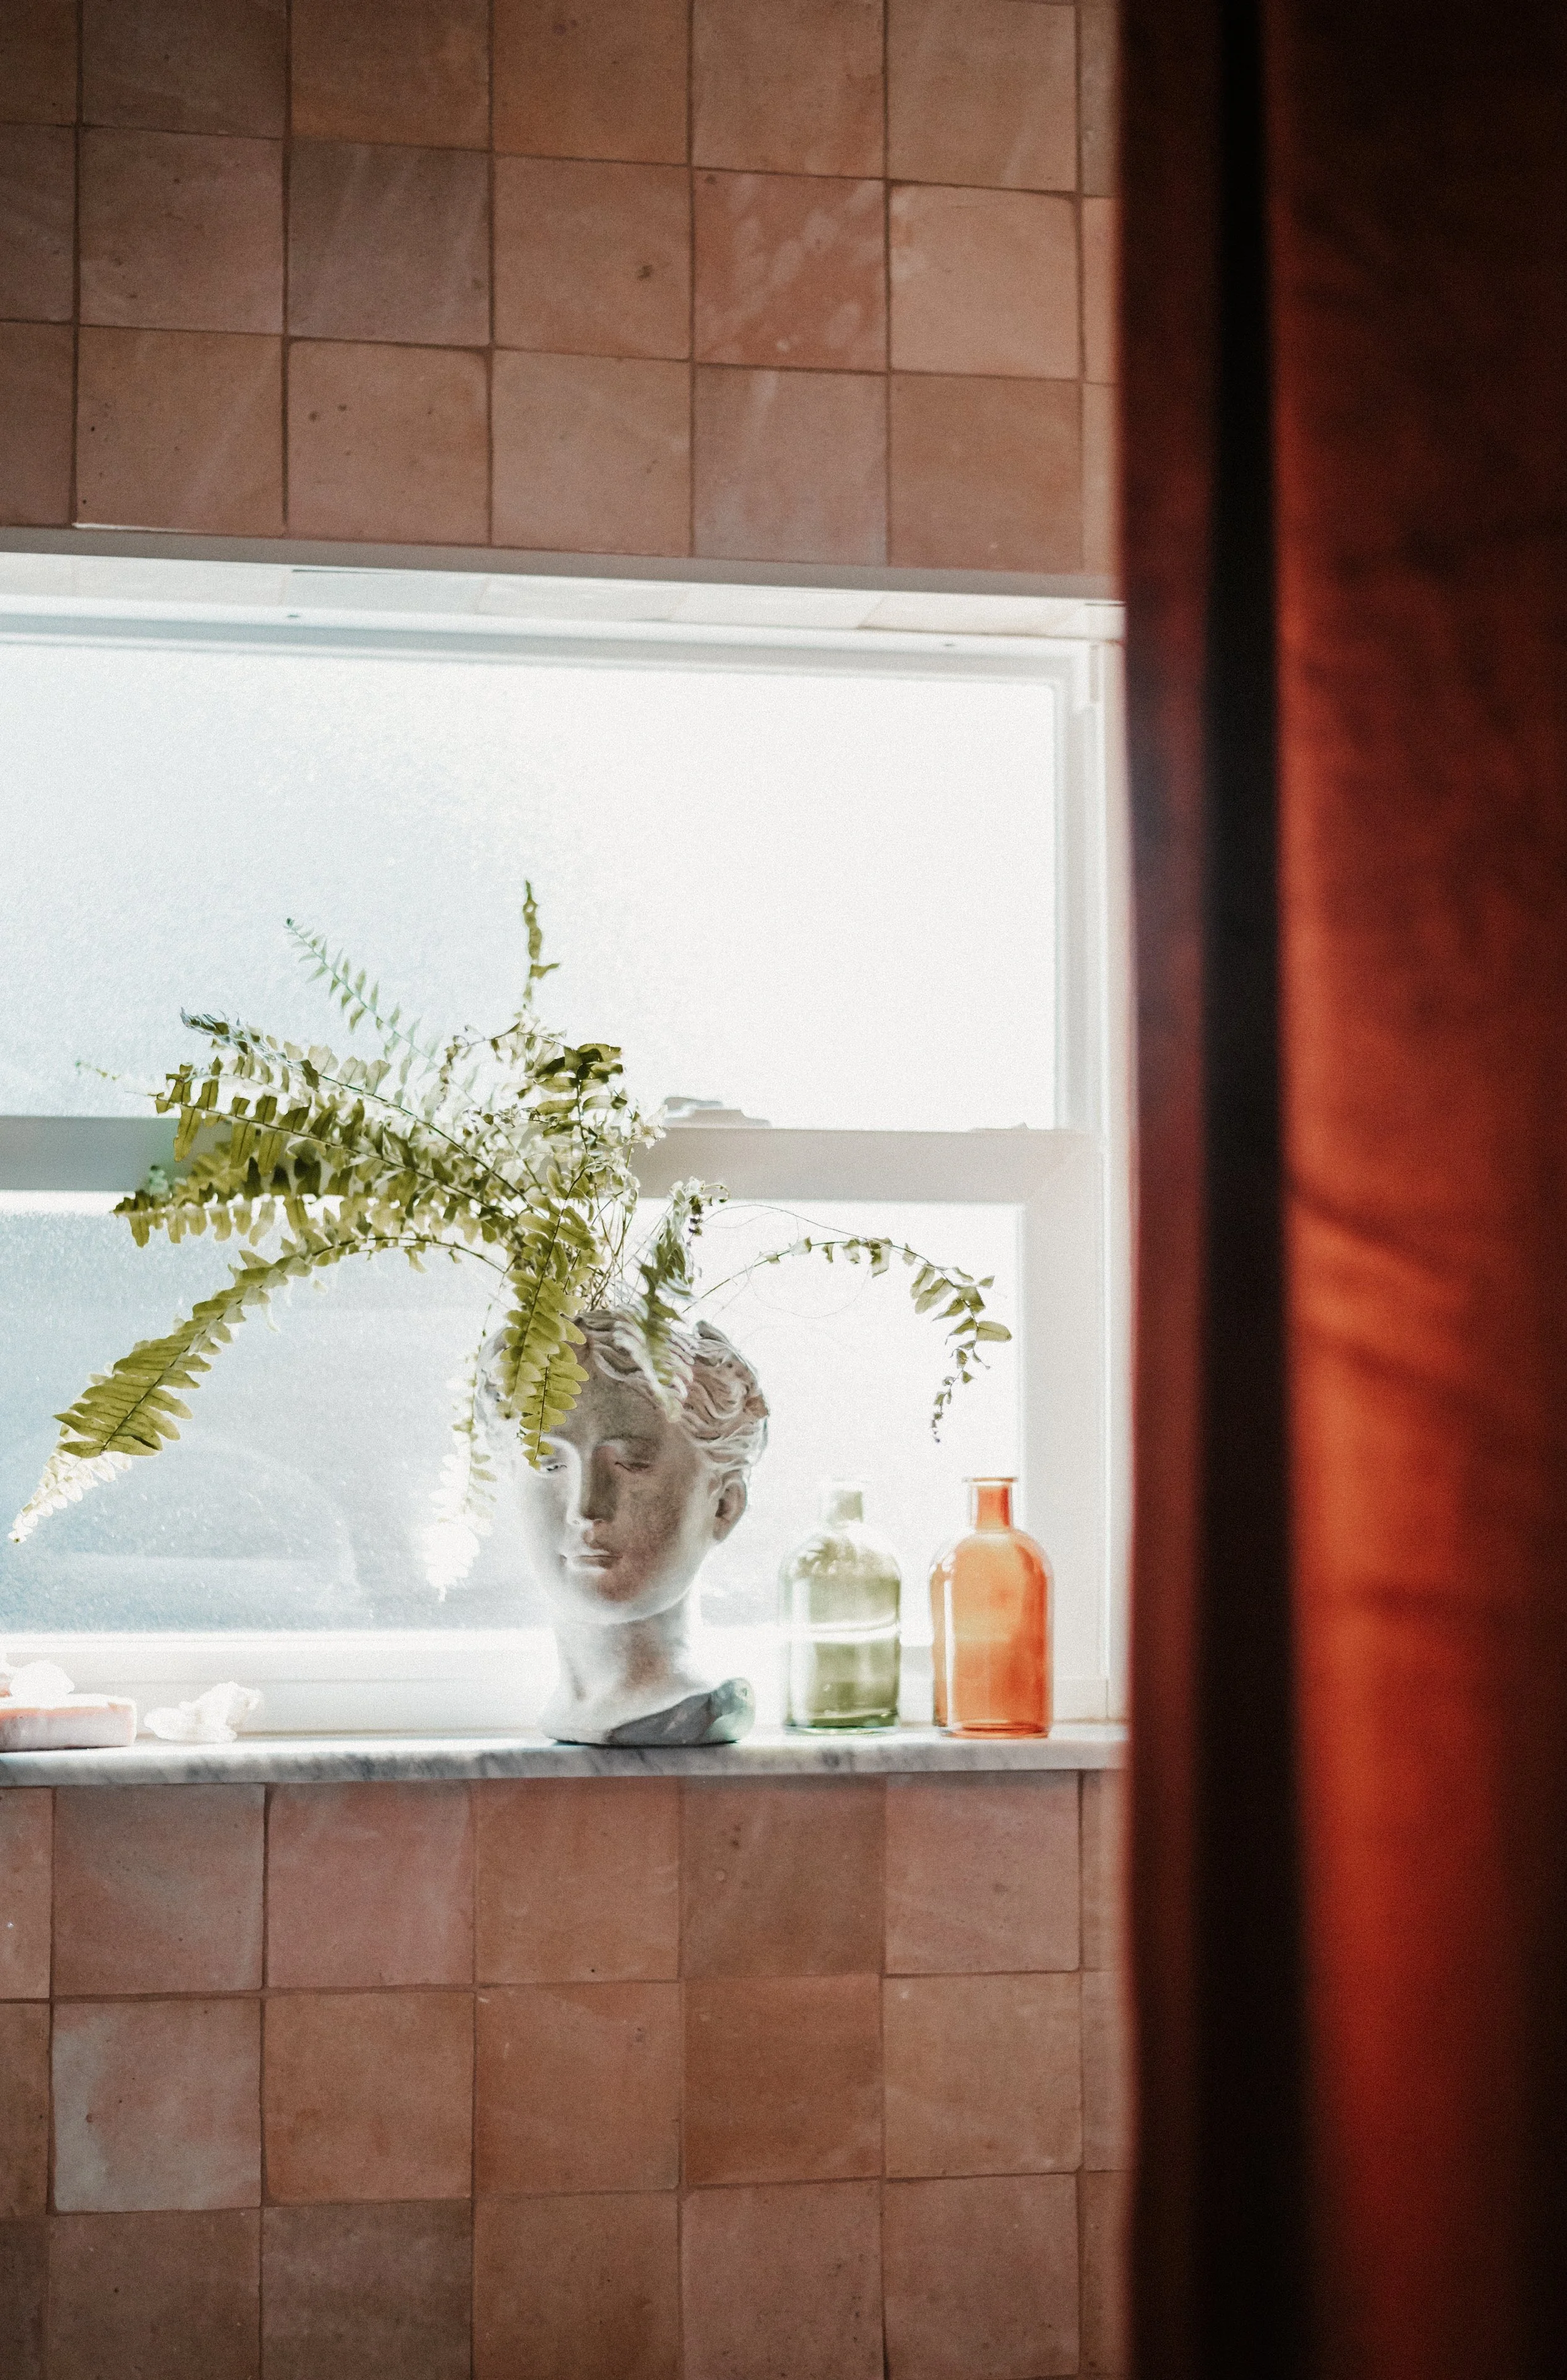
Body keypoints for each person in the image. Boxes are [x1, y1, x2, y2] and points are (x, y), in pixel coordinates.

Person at [487, 1310, 768, 1745]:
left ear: (724, 1506)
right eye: (552, 1465)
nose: (586, 1507)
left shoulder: (704, 1710)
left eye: (631, 1465)